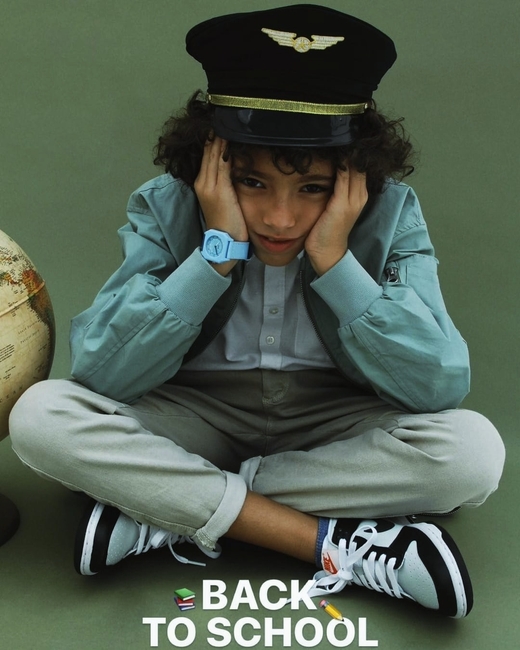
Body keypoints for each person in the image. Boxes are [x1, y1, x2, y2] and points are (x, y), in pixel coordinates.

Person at [9, 4, 505, 619]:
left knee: (472, 454)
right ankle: (325, 541)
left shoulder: (391, 213)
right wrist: (215, 253)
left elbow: (437, 385)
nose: (279, 217)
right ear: (211, 165)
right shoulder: (166, 206)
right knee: (41, 415)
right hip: (195, 413)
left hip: (334, 423)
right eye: (252, 182)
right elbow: (102, 372)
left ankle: (165, 504)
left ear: (355, 177)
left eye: (312, 188)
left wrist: (335, 262)